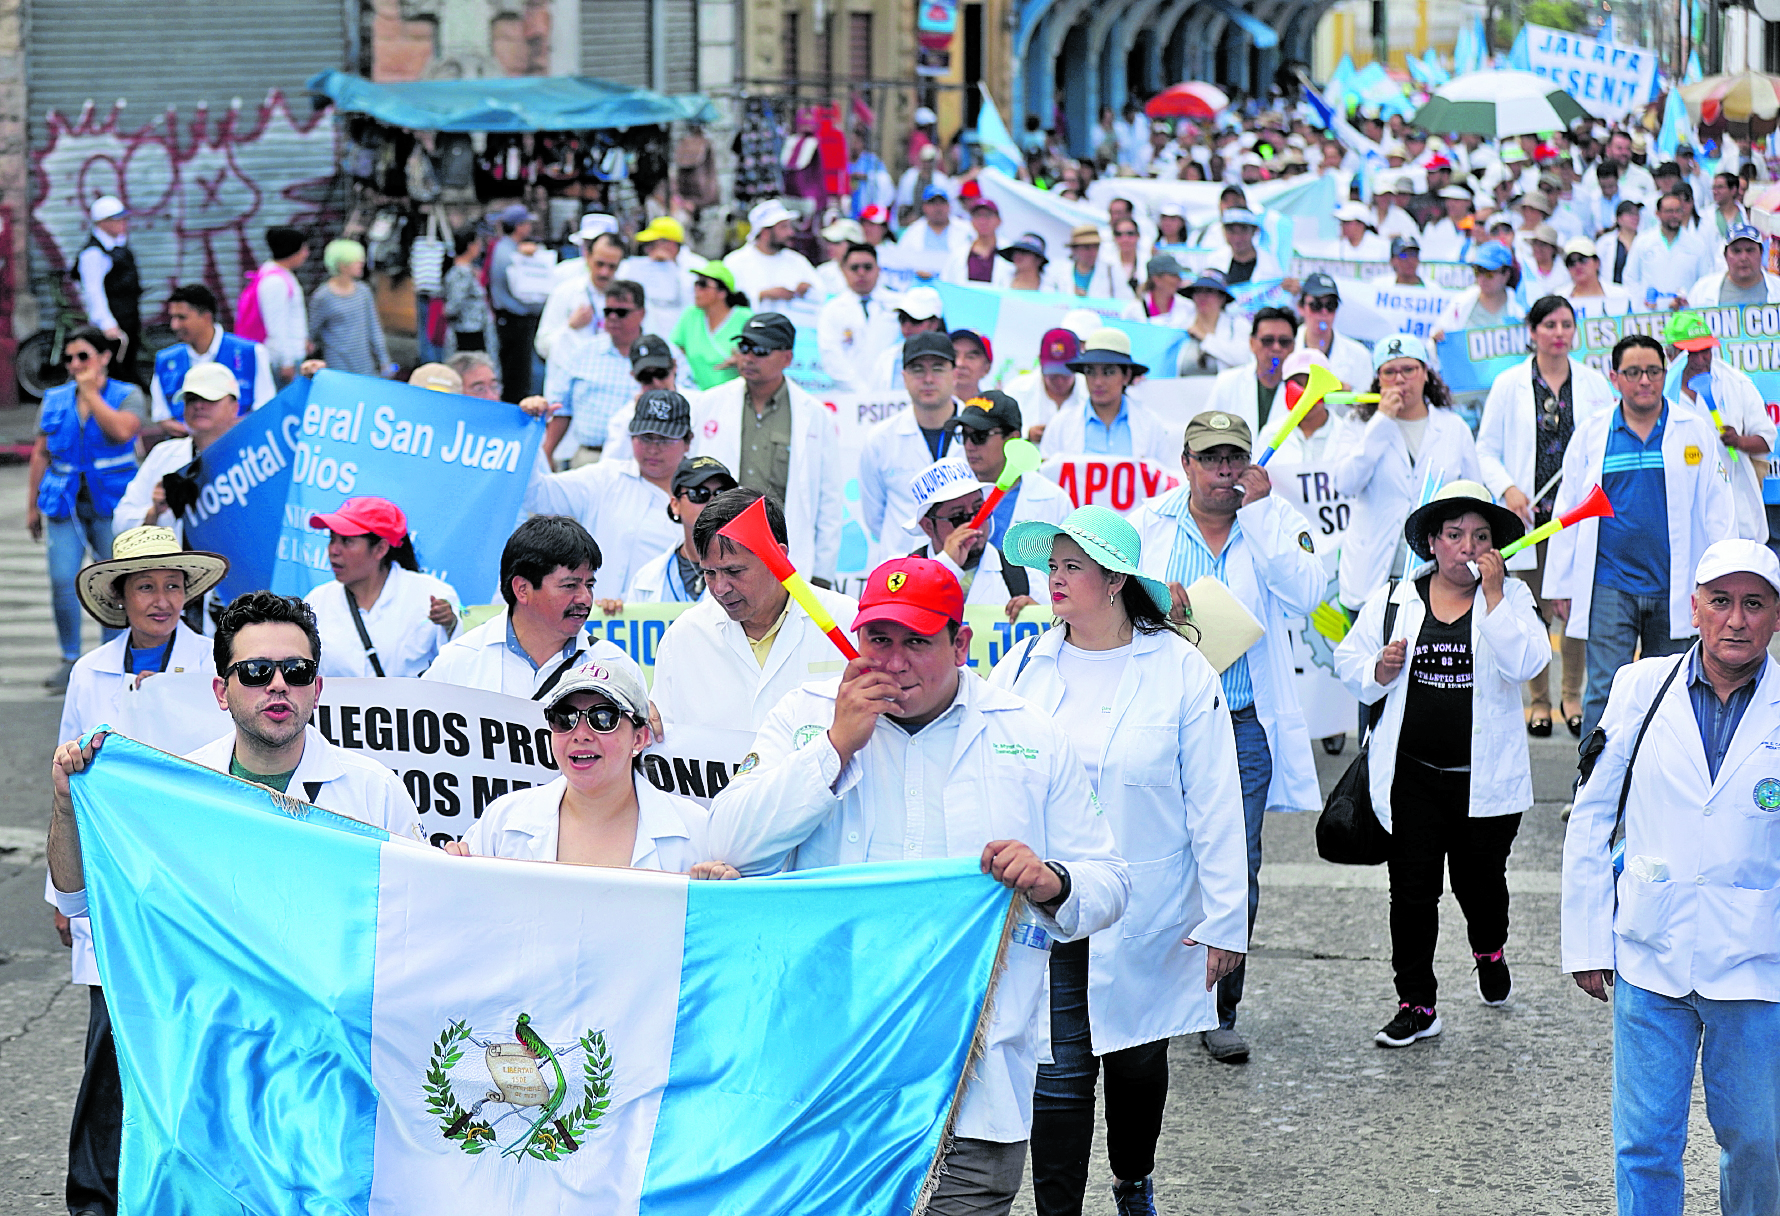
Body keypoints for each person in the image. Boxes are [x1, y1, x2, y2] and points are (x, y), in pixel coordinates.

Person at [706, 557, 1129, 1216]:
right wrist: (834, 748)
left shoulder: (1028, 733)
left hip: (972, 1085)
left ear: (961, 645)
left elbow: (1110, 880)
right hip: (826, 1077)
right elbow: (728, 843)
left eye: (918, 642)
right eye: (879, 639)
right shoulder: (804, 716)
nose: (895, 662)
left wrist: (1051, 881)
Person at [989, 505, 1243, 1212]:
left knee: (1136, 1060)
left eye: (1073, 567)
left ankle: (1133, 1179)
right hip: (1050, 900)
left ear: (1115, 581)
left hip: (1147, 909)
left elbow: (1216, 801)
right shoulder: (1023, 667)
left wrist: (1226, 920)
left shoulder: (1180, 671)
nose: (1055, 578)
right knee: (1058, 1075)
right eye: (1053, 565)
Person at [1562, 538, 1780, 1216]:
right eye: (1720, 602)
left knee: (1758, 1143)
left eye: (1754, 603)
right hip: (1650, 951)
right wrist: (1587, 940)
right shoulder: (1640, 687)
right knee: (1645, 1146)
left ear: (1777, 616)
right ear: (1693, 608)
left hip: (1757, 964)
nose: (1735, 619)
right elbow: (1593, 813)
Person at [1132, 412, 1328, 1062]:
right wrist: (1152, 601)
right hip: (1165, 721)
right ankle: (1158, 996)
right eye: (1211, 458)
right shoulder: (1147, 523)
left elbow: (1308, 594)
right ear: (1186, 463)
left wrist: (1263, 514)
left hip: (1242, 725)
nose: (1223, 470)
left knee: (1236, 864)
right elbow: (1113, 602)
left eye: (1234, 458)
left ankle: (1220, 1007)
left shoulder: (1274, 518)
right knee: (1160, 855)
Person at [1333, 482, 1548, 1047]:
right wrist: (1379, 669)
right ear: (1432, 542)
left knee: (1481, 889)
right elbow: (1348, 658)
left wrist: (1495, 596)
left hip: (1484, 785)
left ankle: (1489, 950)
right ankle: (1417, 1004)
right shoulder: (1394, 598)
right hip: (1412, 779)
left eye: (1480, 537)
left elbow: (1527, 663)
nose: (1467, 548)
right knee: (1410, 894)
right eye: (1454, 535)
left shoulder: (1511, 598)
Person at [50, 525, 224, 1216]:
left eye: (173, 585)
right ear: (120, 597)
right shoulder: (89, 672)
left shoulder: (214, 666)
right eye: (147, 586)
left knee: (188, 1044)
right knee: (109, 1050)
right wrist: (62, 893)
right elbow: (65, 779)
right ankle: (94, 1196)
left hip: (188, 880)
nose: (162, 600)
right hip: (112, 878)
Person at [48, 590, 425, 853]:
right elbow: (78, 897)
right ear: (221, 692)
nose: (278, 685)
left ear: (317, 689)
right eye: (256, 671)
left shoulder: (376, 791)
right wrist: (66, 804)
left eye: (297, 670)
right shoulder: (182, 788)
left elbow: (422, 901)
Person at [1542, 334, 1736, 738]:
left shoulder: (1694, 430)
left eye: (1652, 371)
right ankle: (1595, 777)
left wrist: (1723, 582)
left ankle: (1658, 776)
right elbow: (1568, 509)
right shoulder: (1594, 433)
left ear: (1665, 374)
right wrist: (1561, 584)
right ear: (1614, 378)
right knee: (1604, 691)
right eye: (1632, 372)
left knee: (1671, 693)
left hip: (1675, 587)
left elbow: (1718, 510)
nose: (1644, 380)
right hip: (1609, 585)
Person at [1476, 295, 1615, 738]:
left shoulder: (1594, 384)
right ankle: (1538, 701)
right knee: (1534, 610)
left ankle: (1572, 697)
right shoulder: (1509, 384)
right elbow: (1486, 450)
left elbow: (1605, 443)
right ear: (1532, 331)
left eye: (1566, 325)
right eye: (1549, 325)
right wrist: (1509, 489)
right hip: (1529, 519)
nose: (1559, 333)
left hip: (1578, 516)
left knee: (1573, 606)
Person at [448, 654, 713, 871]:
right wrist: (451, 869)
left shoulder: (698, 833)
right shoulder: (502, 823)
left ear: (639, 738)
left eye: (603, 718)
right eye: (565, 718)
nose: (581, 734)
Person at [650, 488, 860, 735]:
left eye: (734, 571)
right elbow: (662, 737)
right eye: (709, 573)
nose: (720, 588)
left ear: (778, 557)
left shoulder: (847, 623)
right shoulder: (683, 638)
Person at [27, 327, 148, 689]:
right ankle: (69, 658)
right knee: (63, 580)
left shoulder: (127, 394)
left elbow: (123, 432)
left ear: (104, 357)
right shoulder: (54, 399)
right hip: (64, 504)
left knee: (113, 583)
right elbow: (41, 453)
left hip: (110, 504)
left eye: (83, 356)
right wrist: (31, 506)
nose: (75, 364)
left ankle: (111, 659)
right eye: (69, 358)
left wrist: (92, 395)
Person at [688, 312, 844, 584]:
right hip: (720, 553)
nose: (748, 357)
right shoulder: (709, 404)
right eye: (744, 347)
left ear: (787, 358)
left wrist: (821, 574)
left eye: (760, 350)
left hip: (784, 557)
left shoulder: (815, 415)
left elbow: (828, 502)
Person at [1335, 334, 1482, 616]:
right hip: (1372, 578)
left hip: (1438, 576)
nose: (1399, 379)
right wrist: (1381, 422)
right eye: (1389, 372)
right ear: (1378, 379)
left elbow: (1474, 496)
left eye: (1409, 369)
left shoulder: (1454, 428)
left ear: (1426, 373)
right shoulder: (1358, 424)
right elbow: (1345, 483)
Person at [422, 515, 639, 698]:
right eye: (570, 586)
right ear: (522, 589)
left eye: (589, 585)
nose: (585, 598)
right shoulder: (458, 662)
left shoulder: (615, 668)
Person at [527, 387, 690, 605]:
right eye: (645, 438)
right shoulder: (605, 478)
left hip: (665, 618)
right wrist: (532, 429)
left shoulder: (702, 493)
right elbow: (537, 495)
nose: (653, 449)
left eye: (664, 439)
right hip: (595, 616)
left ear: (688, 441)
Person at [302, 497, 462, 679]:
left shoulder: (432, 595)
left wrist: (450, 625)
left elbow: (457, 669)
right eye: (332, 539)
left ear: (380, 549)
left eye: (346, 541)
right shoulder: (317, 601)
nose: (333, 550)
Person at [542, 281, 685, 468]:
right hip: (591, 456)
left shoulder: (666, 354)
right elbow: (562, 408)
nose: (613, 317)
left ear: (641, 313)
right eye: (608, 311)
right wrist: (548, 452)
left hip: (649, 457)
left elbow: (688, 400)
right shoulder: (584, 353)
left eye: (621, 312)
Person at [1666, 311, 1774, 545]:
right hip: (1685, 520)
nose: (1700, 360)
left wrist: (1740, 441)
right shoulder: (1659, 392)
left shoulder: (1736, 383)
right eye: (1691, 353)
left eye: (1706, 350)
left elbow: (1767, 440)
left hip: (1739, 517)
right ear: (1670, 354)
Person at [859, 331, 962, 565]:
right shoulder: (880, 440)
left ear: (955, 374)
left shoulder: (978, 434)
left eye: (938, 368)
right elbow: (874, 517)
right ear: (904, 377)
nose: (928, 379)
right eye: (917, 370)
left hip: (967, 567)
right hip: (902, 568)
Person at [109, 363, 240, 545]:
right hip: (177, 561)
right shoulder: (163, 454)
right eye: (191, 399)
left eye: (210, 399)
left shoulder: (253, 456)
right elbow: (120, 524)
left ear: (234, 407)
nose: (199, 406)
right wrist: (154, 512)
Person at [945, 391, 1071, 550]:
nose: (969, 446)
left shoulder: (1053, 499)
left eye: (979, 436)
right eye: (964, 435)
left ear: (1013, 438)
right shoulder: (948, 493)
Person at [903, 457, 1025, 613]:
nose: (975, 523)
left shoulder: (1023, 575)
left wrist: (1038, 612)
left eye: (979, 510)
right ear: (928, 526)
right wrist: (946, 565)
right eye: (958, 516)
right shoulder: (902, 575)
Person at [1039, 329, 1177, 466]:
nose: (1098, 382)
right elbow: (1046, 473)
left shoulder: (1151, 425)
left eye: (1108, 372)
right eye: (1090, 372)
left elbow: (1165, 473)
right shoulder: (1060, 424)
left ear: (1127, 376)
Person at [149, 284, 276, 428]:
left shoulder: (251, 353)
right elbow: (162, 417)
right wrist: (197, 433)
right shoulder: (165, 360)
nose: (175, 325)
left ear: (206, 317)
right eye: (172, 318)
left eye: (182, 318)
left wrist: (217, 432)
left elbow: (265, 409)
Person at [626, 454, 738, 604]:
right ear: (675, 505)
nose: (712, 502)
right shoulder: (646, 578)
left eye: (721, 494)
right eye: (699, 493)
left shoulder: (754, 569)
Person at [74, 196, 142, 385]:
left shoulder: (117, 244)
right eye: (117, 219)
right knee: (114, 374)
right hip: (113, 324)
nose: (123, 223)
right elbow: (93, 291)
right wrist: (106, 323)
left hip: (128, 318)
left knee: (128, 367)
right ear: (102, 223)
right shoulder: (93, 253)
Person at [816, 242, 901, 390]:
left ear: (879, 270)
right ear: (843, 271)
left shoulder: (899, 304)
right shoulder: (832, 309)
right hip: (848, 393)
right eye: (855, 268)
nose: (861, 273)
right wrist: (861, 391)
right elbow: (831, 355)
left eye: (867, 267)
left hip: (894, 391)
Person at [1205, 307, 1301, 437]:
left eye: (1284, 342)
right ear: (1252, 343)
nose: (1276, 347)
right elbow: (1206, 433)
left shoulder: (1303, 388)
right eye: (1268, 340)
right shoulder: (1227, 382)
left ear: (1294, 346)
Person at [535, 228, 624, 364]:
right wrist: (570, 326)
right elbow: (542, 346)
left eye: (612, 266)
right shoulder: (565, 292)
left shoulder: (627, 298)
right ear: (587, 257)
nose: (604, 272)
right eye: (599, 264)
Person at [308, 239, 390, 379]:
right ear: (342, 265)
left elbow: (373, 327)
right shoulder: (323, 296)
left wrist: (384, 359)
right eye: (356, 260)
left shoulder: (363, 292)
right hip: (337, 365)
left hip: (364, 364)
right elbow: (313, 330)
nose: (361, 263)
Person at [489, 205, 544, 401]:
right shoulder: (508, 254)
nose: (530, 227)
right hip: (514, 319)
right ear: (519, 226)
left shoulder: (508, 248)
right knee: (516, 374)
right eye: (527, 223)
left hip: (512, 319)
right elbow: (523, 290)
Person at [670, 260, 752, 391]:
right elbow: (677, 350)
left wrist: (742, 360)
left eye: (703, 284)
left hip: (735, 393)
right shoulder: (690, 315)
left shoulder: (745, 317)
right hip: (696, 393)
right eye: (696, 283)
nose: (696, 289)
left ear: (722, 292)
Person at [1627, 191, 1715, 311]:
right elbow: (1631, 278)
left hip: (1685, 314)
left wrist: (1689, 303)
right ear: (1657, 214)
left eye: (1678, 211)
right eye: (1669, 211)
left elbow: (1705, 281)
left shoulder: (1697, 245)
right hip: (1649, 313)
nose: (1674, 215)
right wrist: (1641, 304)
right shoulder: (1643, 242)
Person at [723, 199, 816, 313]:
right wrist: (763, 295)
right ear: (765, 232)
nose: (791, 232)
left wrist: (808, 289)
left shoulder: (797, 260)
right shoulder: (734, 262)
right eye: (783, 227)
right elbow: (725, 302)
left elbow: (821, 295)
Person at [245, 226, 310, 382]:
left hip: (290, 354)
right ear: (292, 250)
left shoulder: (279, 274)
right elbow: (275, 325)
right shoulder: (275, 281)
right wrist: (286, 362)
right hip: (283, 360)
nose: (306, 254)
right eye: (303, 249)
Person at [1431, 244, 1526, 343]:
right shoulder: (1460, 302)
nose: (1482, 278)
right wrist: (1437, 338)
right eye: (1478, 271)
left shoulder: (1520, 308)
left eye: (1489, 273)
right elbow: (1437, 334)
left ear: (1506, 274)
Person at [1003, 326, 1087, 438]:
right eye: (1053, 375)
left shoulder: (1090, 392)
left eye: (1065, 375)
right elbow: (999, 432)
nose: (1059, 381)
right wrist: (1027, 434)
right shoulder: (1016, 391)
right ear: (1040, 361)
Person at [618, 216, 695, 337]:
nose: (648, 250)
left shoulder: (697, 266)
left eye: (652, 244)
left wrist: (671, 267)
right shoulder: (642, 266)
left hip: (681, 336)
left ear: (670, 244)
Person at [1294, 274, 1373, 390]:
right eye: (1316, 305)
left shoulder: (1359, 355)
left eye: (1331, 305)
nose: (1324, 312)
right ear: (1301, 307)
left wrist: (1346, 393)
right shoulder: (1285, 347)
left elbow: (1366, 398)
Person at [867, 286, 947, 391]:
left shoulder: (954, 359)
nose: (907, 326)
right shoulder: (887, 358)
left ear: (934, 323)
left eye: (915, 320)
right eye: (903, 319)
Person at [1176, 270, 1248, 376]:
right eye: (1198, 291)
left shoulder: (1237, 325)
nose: (1202, 297)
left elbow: (1244, 358)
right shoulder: (1180, 324)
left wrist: (1205, 338)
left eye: (1209, 291)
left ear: (1222, 297)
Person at [1690, 223, 1780, 306]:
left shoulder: (1777, 288)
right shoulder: (1702, 290)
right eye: (1736, 251)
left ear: (1761, 253)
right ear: (1725, 256)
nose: (1743, 258)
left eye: (1750, 250)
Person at [897, 184, 974, 281]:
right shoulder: (913, 231)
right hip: (921, 283)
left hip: (955, 283)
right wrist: (916, 270)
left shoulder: (966, 229)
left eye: (942, 203)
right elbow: (900, 261)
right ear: (924, 207)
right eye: (932, 203)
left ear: (949, 206)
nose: (938, 208)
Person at [943, 197, 1014, 286]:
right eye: (978, 216)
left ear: (999, 221)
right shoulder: (959, 253)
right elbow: (947, 281)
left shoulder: (1011, 252)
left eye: (988, 215)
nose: (982, 221)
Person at [1206, 210, 1287, 286]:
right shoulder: (1213, 261)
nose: (1237, 238)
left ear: (1254, 231)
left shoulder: (1272, 264)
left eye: (1243, 231)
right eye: (1231, 231)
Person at [442, 224, 489, 354]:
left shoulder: (468, 270)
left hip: (472, 329)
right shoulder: (461, 273)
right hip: (466, 331)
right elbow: (454, 304)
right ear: (470, 246)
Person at [1559, 237, 1632, 319]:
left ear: (1597, 262)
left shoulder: (1620, 295)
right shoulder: (1559, 298)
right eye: (1571, 262)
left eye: (1583, 259)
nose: (1577, 266)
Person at [1120, 254, 1189, 325]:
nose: (1179, 279)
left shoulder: (1188, 307)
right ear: (1156, 279)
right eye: (1173, 275)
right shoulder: (1134, 310)